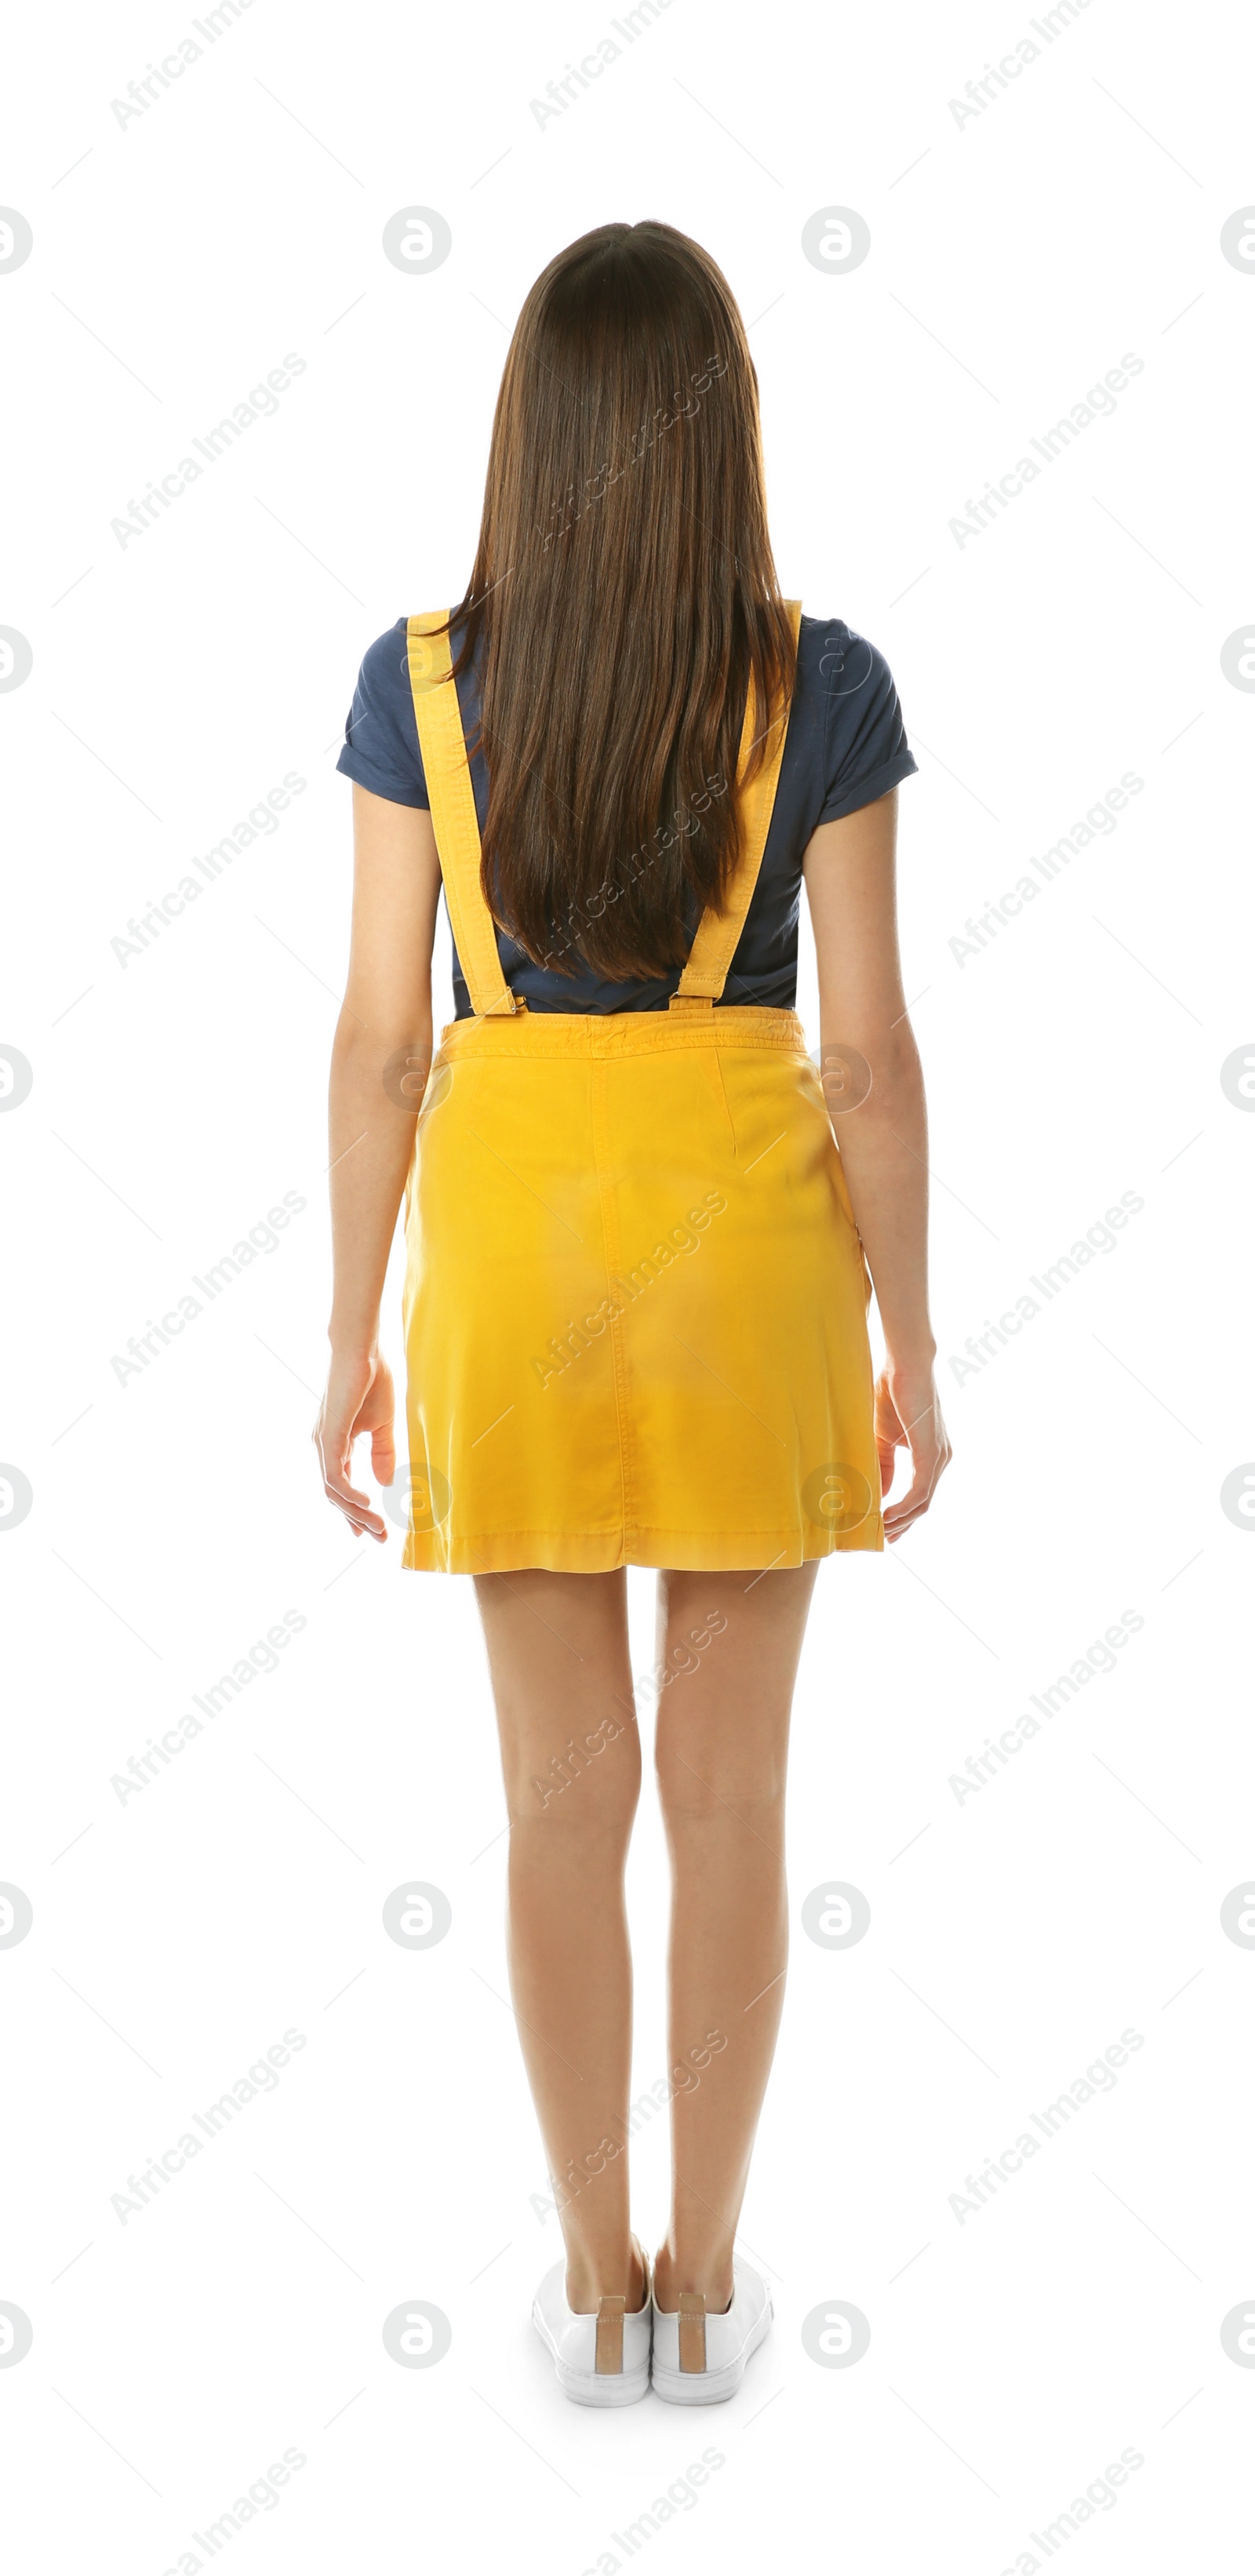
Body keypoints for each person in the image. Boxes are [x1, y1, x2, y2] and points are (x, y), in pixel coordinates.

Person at [317, 219, 949, 2408]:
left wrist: (342, 1338)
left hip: (508, 1255)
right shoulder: (827, 684)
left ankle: (595, 2283)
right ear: (723, 433)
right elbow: (860, 1053)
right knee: (738, 1803)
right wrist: (922, 1350)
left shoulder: (415, 684)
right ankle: (709, 2266)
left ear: (532, 435)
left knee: (556, 1804)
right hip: (747, 1255)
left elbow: (381, 1039)